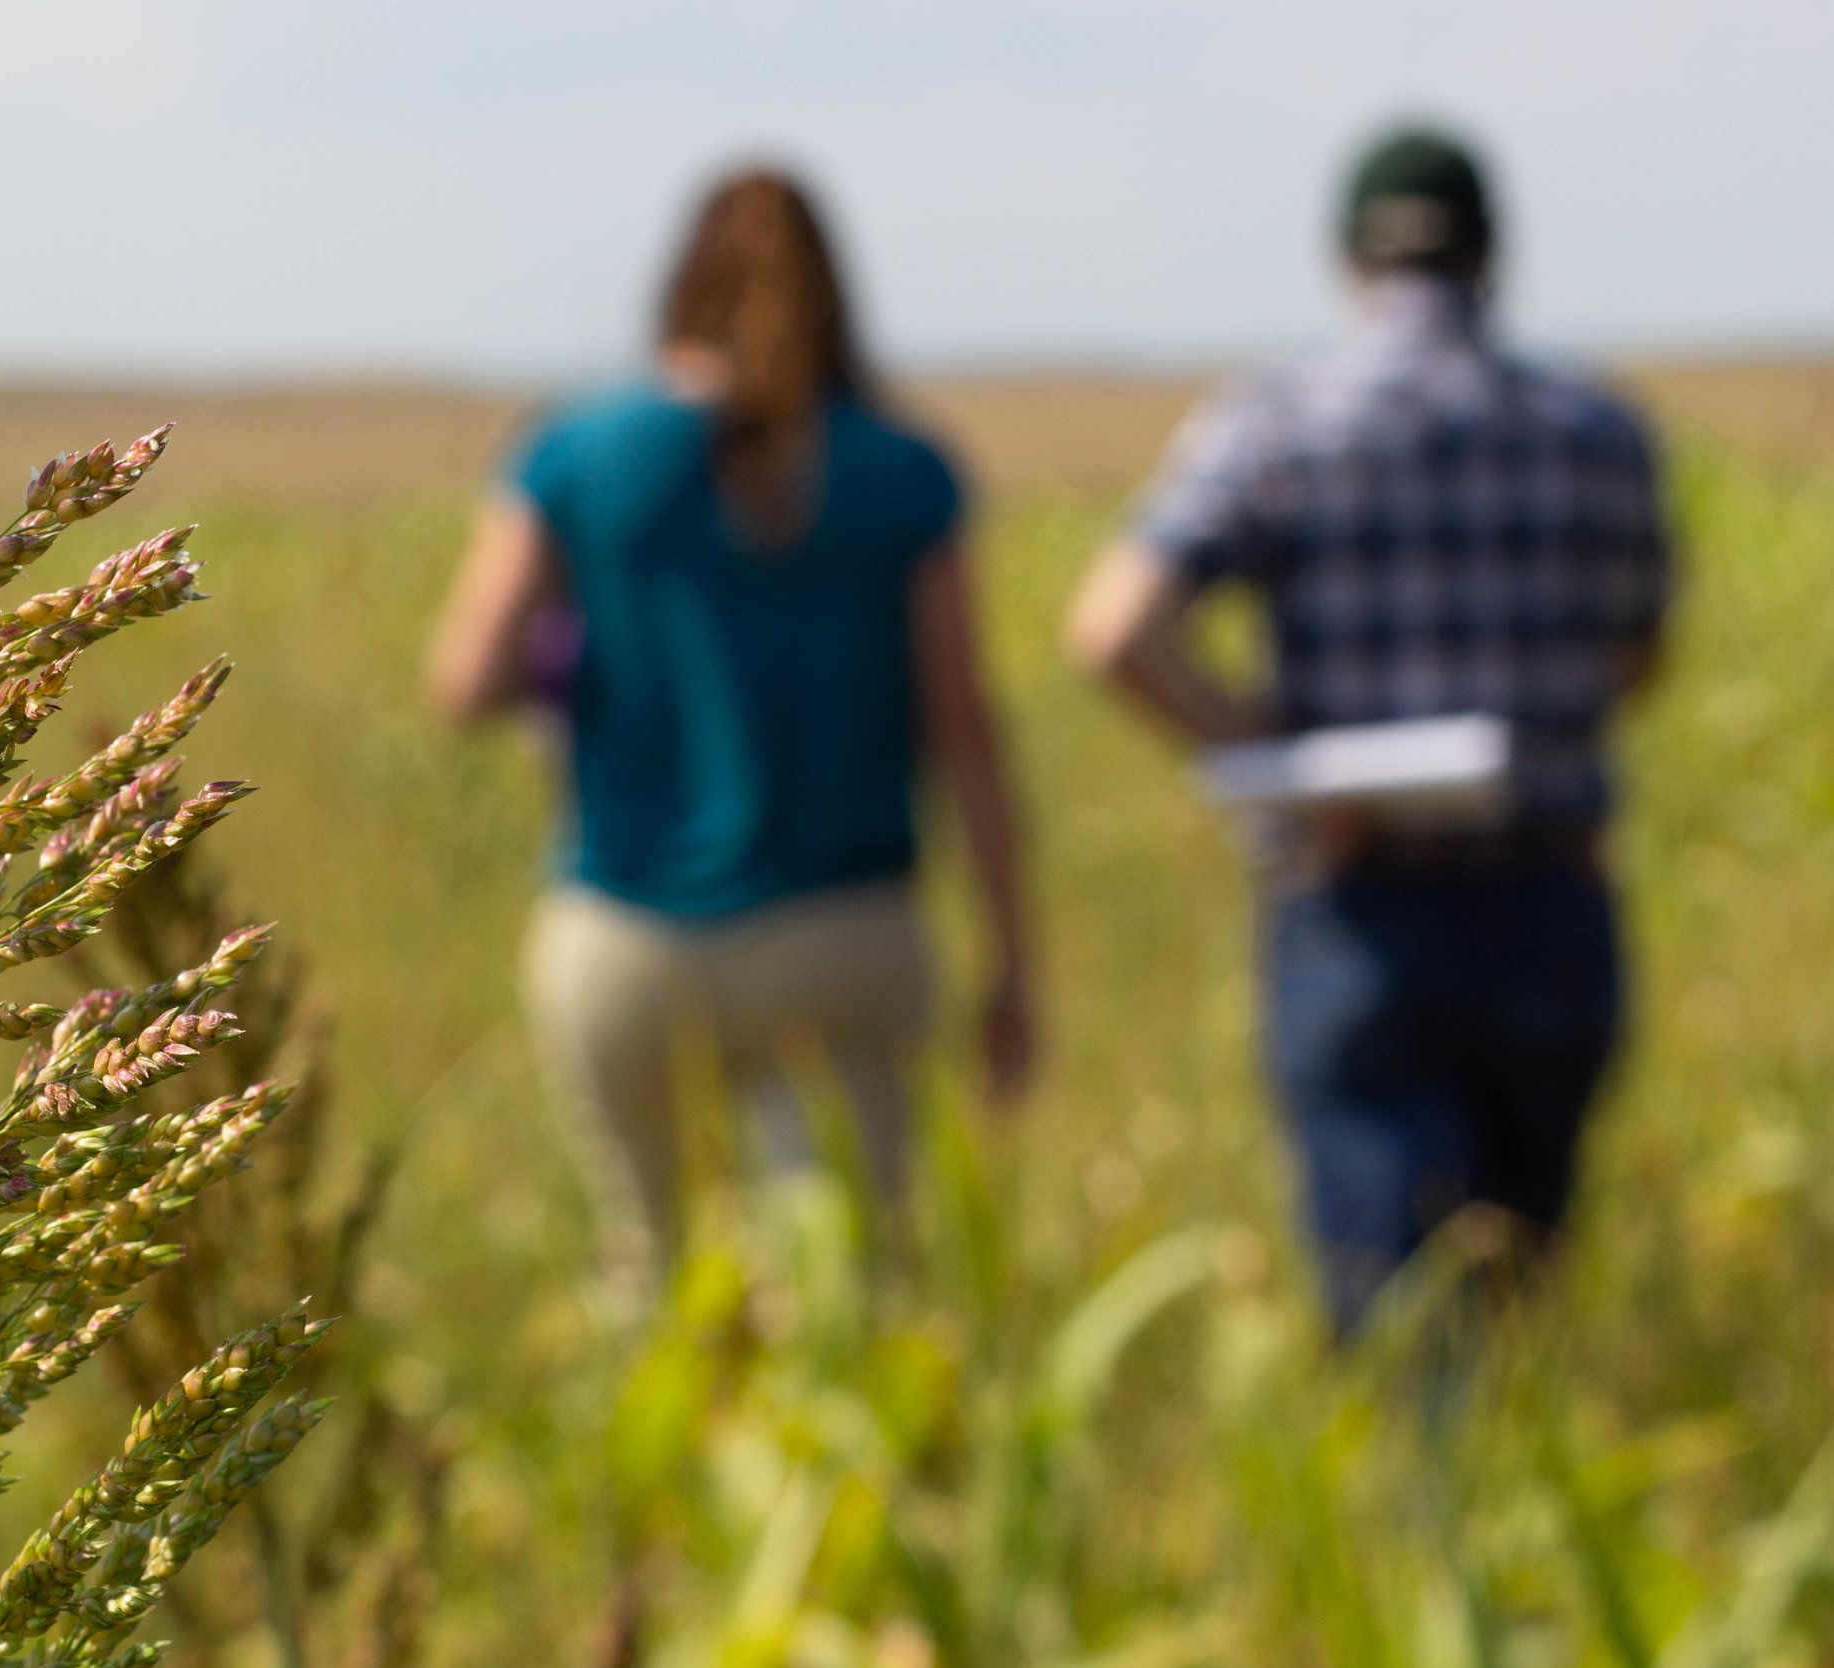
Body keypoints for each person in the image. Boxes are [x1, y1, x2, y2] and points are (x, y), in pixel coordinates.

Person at [1067, 127, 1671, 1333]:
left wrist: (1275, 757)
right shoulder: (1594, 430)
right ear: (1492, 257)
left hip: (1360, 906)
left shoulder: (1280, 421)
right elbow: (1637, 655)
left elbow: (1112, 630)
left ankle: (1435, 1521)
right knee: (1519, 1309)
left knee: (1396, 1329)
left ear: (1347, 258)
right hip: (1547, 898)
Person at [426, 167, 1036, 1306]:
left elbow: (466, 679)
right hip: (842, 933)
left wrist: (573, 663)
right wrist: (1012, 960)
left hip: (623, 934)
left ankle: (649, 1486)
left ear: (680, 285)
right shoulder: (903, 472)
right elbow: (966, 732)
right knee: (843, 1298)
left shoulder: (571, 454)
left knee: (645, 1277)